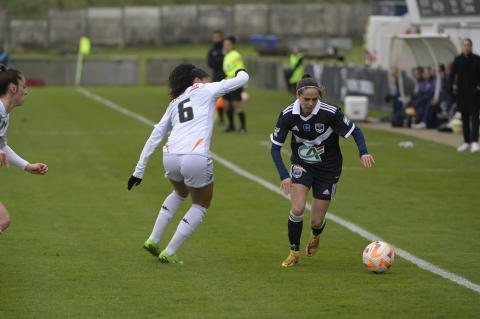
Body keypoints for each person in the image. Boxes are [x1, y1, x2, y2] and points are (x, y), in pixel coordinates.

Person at [127, 63, 249, 263]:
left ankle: (153, 239)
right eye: (207, 79)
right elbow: (243, 80)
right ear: (197, 81)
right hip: (195, 156)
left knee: (180, 192)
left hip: (171, 156)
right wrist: (240, 71)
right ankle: (170, 251)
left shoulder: (175, 102)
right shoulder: (206, 89)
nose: (210, 82)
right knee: (201, 204)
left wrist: (138, 171)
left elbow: (155, 136)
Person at [270, 74, 375, 267]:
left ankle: (316, 235)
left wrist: (363, 152)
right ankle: (294, 252)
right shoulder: (287, 115)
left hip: (329, 168)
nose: (310, 103)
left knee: (316, 221)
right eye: (306, 99)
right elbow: (275, 147)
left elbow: (355, 130)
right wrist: (284, 175)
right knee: (297, 208)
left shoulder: (330, 112)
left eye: (314, 99)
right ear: (297, 96)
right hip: (302, 164)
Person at [0, 65, 49, 235]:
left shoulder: (5, 113)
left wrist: (27, 166)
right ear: (13, 88)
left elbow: (2, 146)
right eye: (24, 86)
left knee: (3, 219)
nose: (26, 92)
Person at [449, 38, 480, 153]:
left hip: (475, 94)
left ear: (471, 47)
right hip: (462, 94)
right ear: (461, 47)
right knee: (465, 118)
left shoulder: (477, 60)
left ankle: (475, 142)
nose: (466, 47)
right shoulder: (457, 60)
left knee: (475, 118)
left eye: (468, 45)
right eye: (464, 45)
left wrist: (478, 87)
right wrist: (451, 88)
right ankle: (467, 142)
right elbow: (452, 76)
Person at [222, 36, 247, 133]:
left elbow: (240, 68)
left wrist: (235, 79)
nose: (226, 46)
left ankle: (243, 127)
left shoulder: (235, 55)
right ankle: (231, 125)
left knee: (236, 105)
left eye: (228, 44)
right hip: (227, 83)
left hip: (235, 83)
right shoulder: (227, 55)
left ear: (233, 45)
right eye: (224, 44)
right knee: (226, 105)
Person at [207, 30, 226, 125]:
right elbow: (210, 63)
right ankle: (221, 118)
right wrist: (220, 62)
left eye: (217, 37)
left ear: (221, 37)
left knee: (230, 100)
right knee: (218, 98)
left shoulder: (225, 48)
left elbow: (227, 62)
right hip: (217, 77)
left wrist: (219, 62)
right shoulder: (212, 50)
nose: (216, 39)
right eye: (214, 37)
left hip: (227, 77)